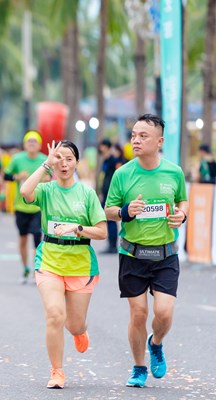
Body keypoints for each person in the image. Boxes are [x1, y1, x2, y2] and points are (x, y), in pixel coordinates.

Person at [105, 114, 188, 388]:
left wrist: (182, 215)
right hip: (133, 255)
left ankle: (157, 343)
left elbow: (182, 201)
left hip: (165, 254)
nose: (136, 140)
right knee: (138, 313)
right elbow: (108, 210)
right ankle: (139, 367)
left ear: (159, 141)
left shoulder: (173, 172)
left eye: (143, 136)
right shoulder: (122, 173)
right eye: (134, 135)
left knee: (163, 313)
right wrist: (125, 212)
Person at [20, 140, 107, 389]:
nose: (64, 163)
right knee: (55, 315)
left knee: (74, 323)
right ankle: (57, 371)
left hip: (80, 264)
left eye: (69, 158)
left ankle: (80, 331)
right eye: (59, 158)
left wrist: (79, 229)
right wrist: (45, 164)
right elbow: (26, 192)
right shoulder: (47, 190)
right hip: (49, 260)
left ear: (77, 163)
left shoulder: (87, 194)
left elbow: (101, 233)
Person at [4, 130, 47, 283]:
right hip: (21, 206)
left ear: (40, 145)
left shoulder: (45, 160)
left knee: (37, 238)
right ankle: (25, 268)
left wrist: (47, 179)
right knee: (23, 239)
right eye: (29, 142)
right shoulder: (17, 159)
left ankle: (37, 270)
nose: (32, 145)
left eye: (34, 142)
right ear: (24, 145)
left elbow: (54, 178)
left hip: (38, 207)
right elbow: (5, 176)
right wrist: (17, 177)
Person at [98, 139, 125, 253]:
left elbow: (119, 175)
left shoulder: (113, 160)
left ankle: (113, 245)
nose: (100, 148)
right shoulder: (105, 160)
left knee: (110, 219)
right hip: (104, 193)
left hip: (111, 194)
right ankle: (110, 244)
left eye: (102, 146)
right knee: (107, 218)